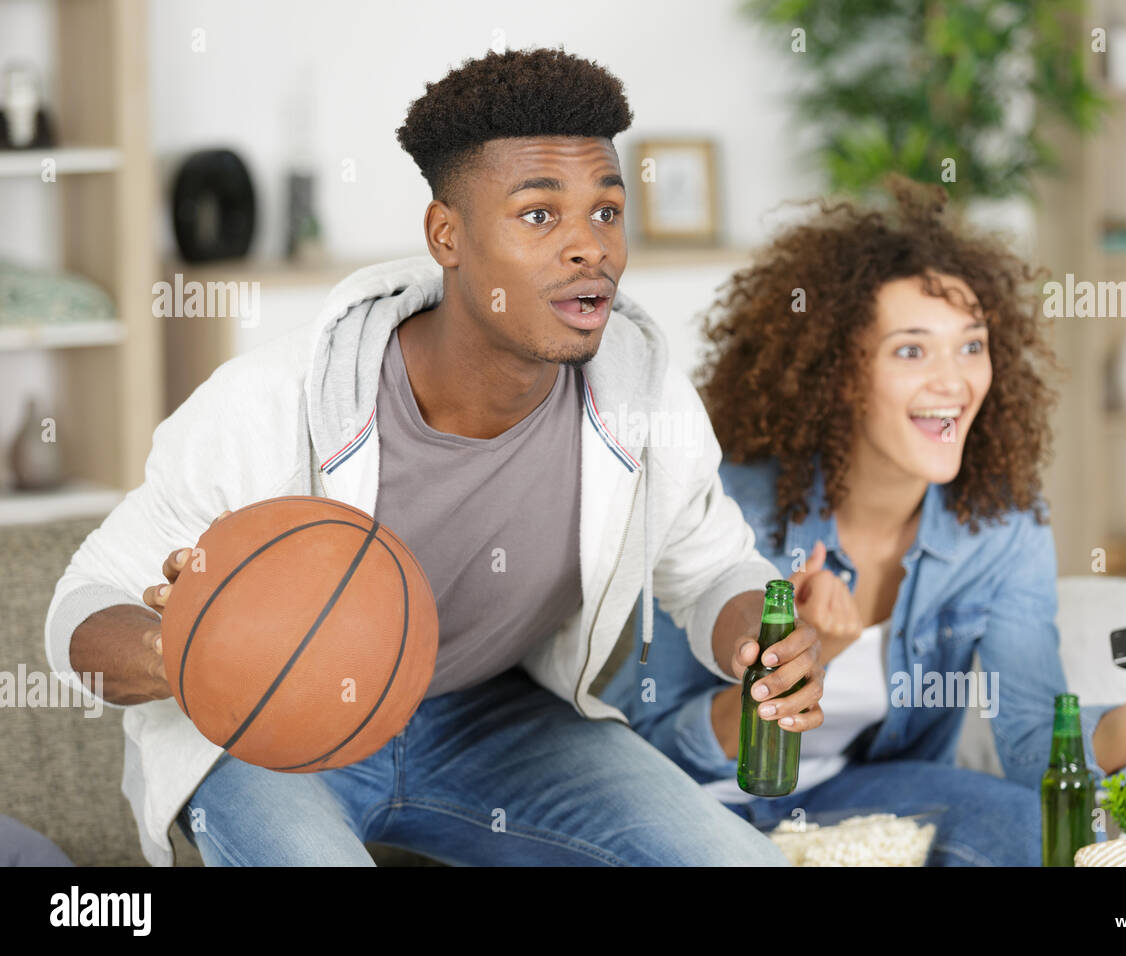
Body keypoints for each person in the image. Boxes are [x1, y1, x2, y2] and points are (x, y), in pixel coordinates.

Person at [45, 47, 825, 866]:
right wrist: (182, 650)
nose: (589, 247)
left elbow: (711, 572)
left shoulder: (643, 395)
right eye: (538, 215)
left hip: (495, 724)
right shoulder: (273, 401)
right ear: (445, 235)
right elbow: (78, 609)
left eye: (606, 211)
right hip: (277, 736)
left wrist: (757, 641)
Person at [600, 177, 1126, 866]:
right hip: (692, 802)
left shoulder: (1001, 525)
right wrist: (804, 669)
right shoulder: (731, 505)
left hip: (864, 792)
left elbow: (1033, 755)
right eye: (910, 350)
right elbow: (652, 743)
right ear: (839, 375)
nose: (953, 382)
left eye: (971, 345)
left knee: (1061, 840)